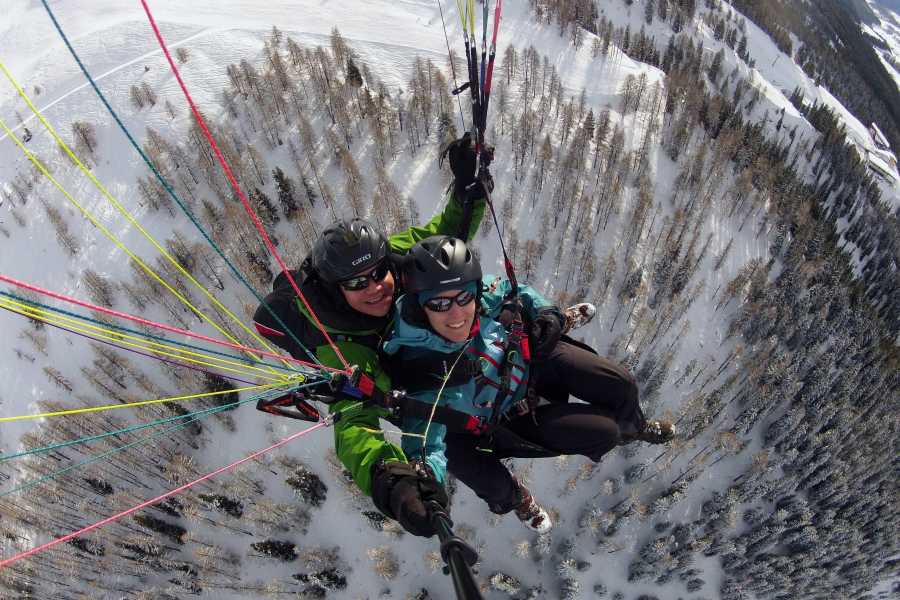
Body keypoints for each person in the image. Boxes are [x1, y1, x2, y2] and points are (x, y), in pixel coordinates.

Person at [253, 137, 490, 537]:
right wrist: (390, 478)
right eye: (357, 283)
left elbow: (446, 235)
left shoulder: (392, 260)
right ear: (336, 291)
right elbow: (354, 423)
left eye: (378, 273)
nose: (376, 287)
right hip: (404, 382)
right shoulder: (341, 345)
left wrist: (469, 187)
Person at [382, 236, 675, 533]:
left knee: (619, 382)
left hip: (524, 366)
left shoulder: (479, 297)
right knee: (601, 434)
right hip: (498, 425)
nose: (456, 313)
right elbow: (423, 438)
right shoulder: (419, 366)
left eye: (463, 298)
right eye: (440, 303)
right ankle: (519, 500)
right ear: (420, 306)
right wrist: (423, 483)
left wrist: (547, 313)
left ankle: (635, 427)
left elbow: (514, 292)